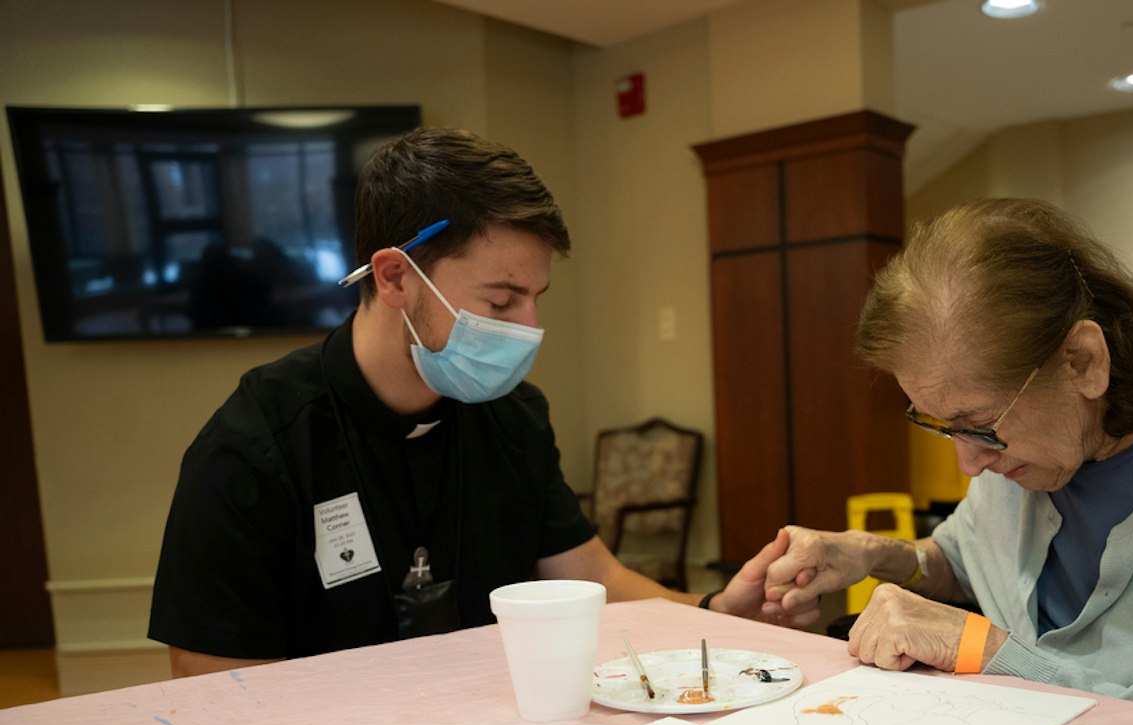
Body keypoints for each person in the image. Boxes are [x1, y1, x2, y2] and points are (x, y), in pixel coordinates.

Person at [150, 127, 776, 678]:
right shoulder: (257, 446)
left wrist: (717, 611)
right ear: (395, 277)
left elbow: (597, 581)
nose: (528, 328)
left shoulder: (513, 415)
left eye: (537, 298)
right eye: (502, 302)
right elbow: (212, 679)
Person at [758, 198, 1133, 721]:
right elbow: (966, 564)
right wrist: (876, 556)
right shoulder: (1025, 445)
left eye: (981, 428)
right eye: (942, 426)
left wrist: (989, 652)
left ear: (1083, 361)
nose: (969, 464)